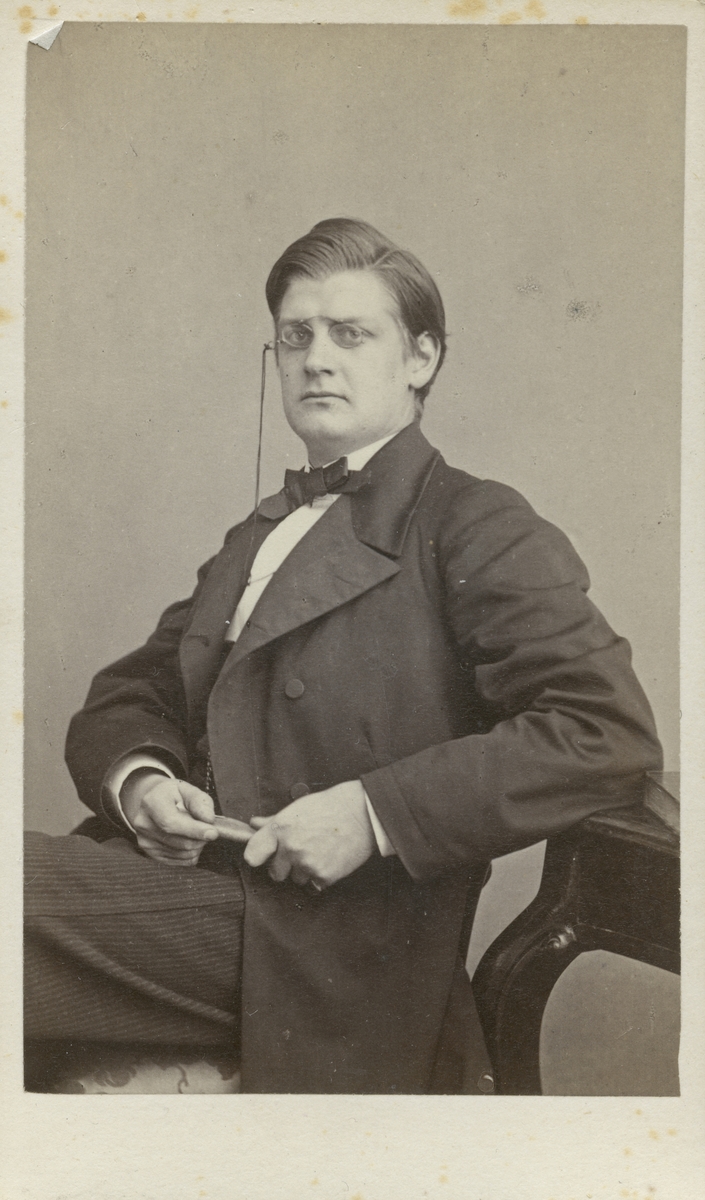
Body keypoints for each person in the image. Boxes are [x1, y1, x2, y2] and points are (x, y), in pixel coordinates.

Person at [24, 218, 662, 1094]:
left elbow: (603, 732)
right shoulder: (259, 535)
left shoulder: (475, 523)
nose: (316, 360)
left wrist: (370, 814)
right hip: (183, 892)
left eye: (350, 334)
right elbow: (132, 691)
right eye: (296, 337)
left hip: (327, 941)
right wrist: (142, 784)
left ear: (420, 358)